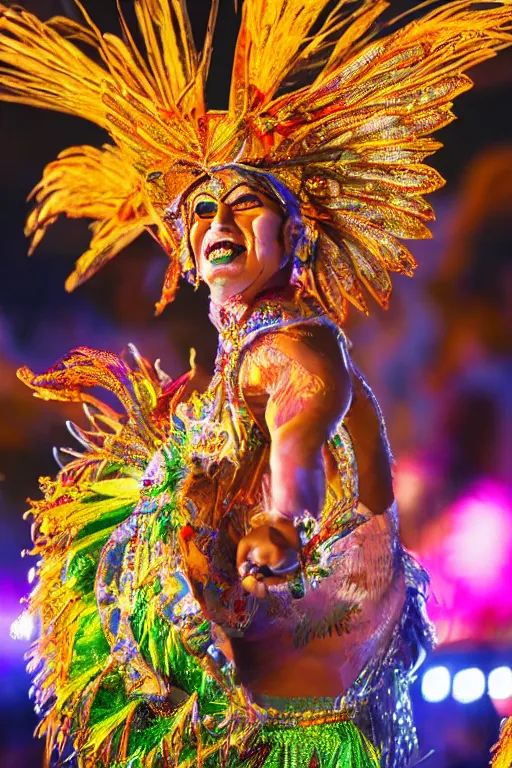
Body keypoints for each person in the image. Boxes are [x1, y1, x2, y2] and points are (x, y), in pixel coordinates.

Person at [2, 1, 512, 767]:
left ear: (296, 232)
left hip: (288, 721)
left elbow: (296, 447)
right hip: (256, 706)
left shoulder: (296, 349)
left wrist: (283, 523)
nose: (219, 220)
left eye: (246, 202)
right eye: (202, 206)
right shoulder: (239, 355)